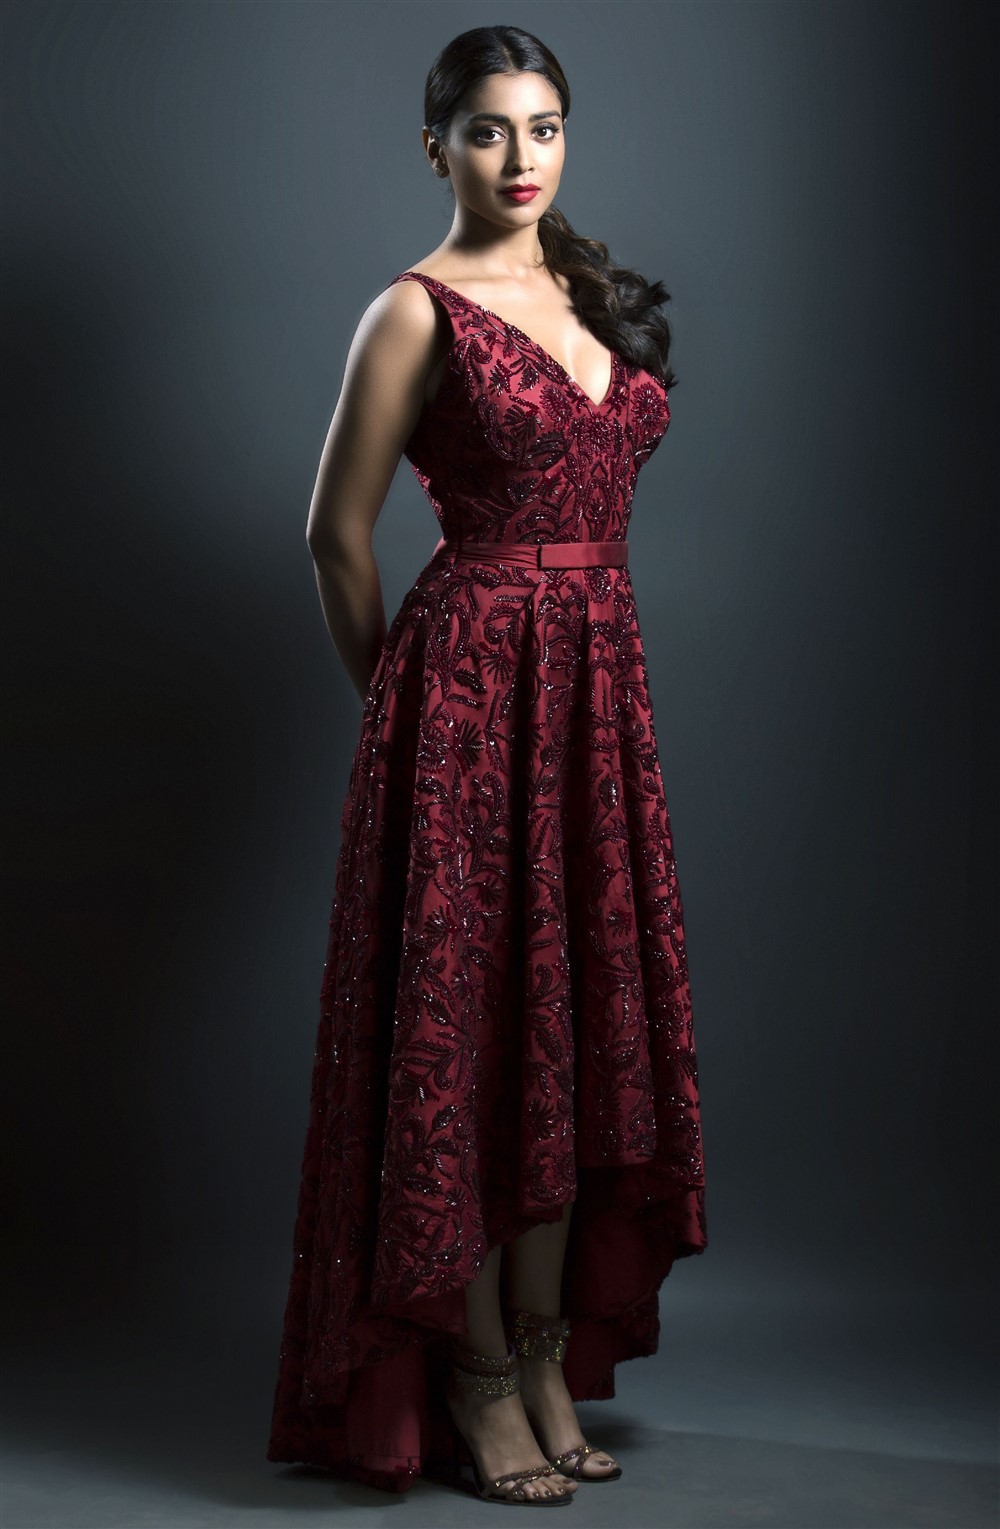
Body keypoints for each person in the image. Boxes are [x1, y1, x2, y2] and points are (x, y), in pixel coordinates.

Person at [267, 23, 707, 1507]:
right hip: (469, 694)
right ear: (436, 146)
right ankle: (467, 1370)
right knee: (471, 1036)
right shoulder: (412, 313)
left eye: (546, 127)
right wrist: (407, 718)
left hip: (597, 701)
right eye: (489, 130)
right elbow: (334, 535)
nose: (522, 158)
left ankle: (537, 1349)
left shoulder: (587, 289)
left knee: (566, 1028)